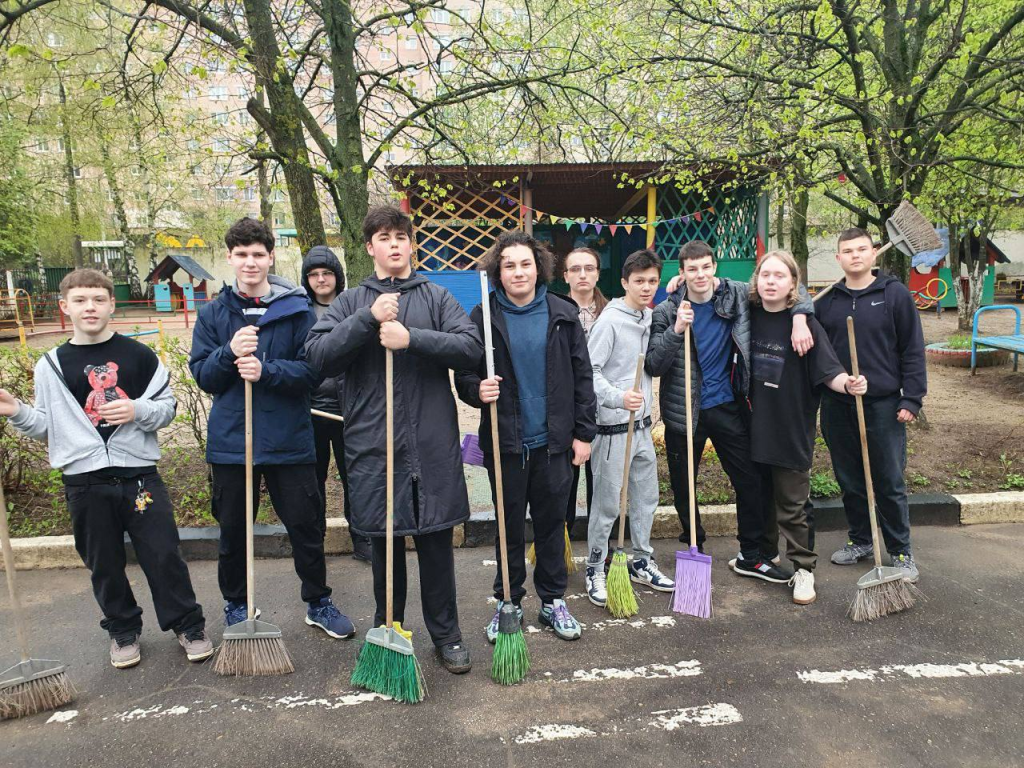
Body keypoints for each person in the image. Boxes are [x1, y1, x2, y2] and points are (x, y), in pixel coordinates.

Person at [1, 269, 212, 669]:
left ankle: (188, 624)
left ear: (112, 304)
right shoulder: (51, 364)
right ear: (65, 307)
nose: (90, 307)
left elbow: (165, 409)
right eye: (80, 301)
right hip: (84, 481)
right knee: (103, 562)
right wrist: (17, 413)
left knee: (163, 554)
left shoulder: (139, 356)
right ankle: (123, 631)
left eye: (98, 299)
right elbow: (50, 427)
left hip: (139, 478)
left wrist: (137, 410)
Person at [305, 205, 483, 674]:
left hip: (431, 444)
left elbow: (470, 347)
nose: (395, 244)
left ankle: (447, 635)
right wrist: (367, 319)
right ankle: (390, 631)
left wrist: (413, 338)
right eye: (384, 237)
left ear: (411, 243)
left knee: (436, 546)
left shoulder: (436, 296)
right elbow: (319, 357)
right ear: (370, 248)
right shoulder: (350, 303)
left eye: (402, 236)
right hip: (374, 447)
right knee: (386, 548)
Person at [189, 217, 353, 639]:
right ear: (230, 258)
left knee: (305, 526)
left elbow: (310, 372)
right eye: (241, 254)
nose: (250, 262)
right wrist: (228, 353)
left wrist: (266, 370)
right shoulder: (213, 314)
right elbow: (203, 376)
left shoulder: (297, 311)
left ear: (270, 257)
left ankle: (318, 602)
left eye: (258, 254)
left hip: (289, 440)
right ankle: (237, 606)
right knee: (234, 532)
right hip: (232, 444)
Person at [455, 231, 596, 642]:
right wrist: (476, 390)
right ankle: (508, 602)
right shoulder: (482, 317)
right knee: (509, 527)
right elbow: (464, 373)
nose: (518, 271)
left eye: (526, 264)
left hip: (554, 443)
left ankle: (552, 601)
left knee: (553, 525)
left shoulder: (562, 313)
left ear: (540, 268)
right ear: (499, 272)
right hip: (506, 443)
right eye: (509, 265)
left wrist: (583, 434)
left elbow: (583, 378)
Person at [650, 240, 814, 583]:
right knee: (684, 489)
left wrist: (800, 317)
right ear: (681, 273)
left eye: (705, 267)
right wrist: (677, 330)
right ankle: (695, 547)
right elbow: (654, 364)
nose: (699, 275)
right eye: (691, 269)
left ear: (715, 267)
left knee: (751, 481)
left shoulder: (737, 295)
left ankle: (751, 555)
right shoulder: (666, 310)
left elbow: (791, 287)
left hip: (727, 407)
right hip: (684, 414)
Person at [748, 251, 867, 604]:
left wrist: (848, 383)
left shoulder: (806, 323)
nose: (770, 281)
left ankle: (803, 569)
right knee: (757, 497)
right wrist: (679, 282)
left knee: (792, 504)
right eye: (765, 275)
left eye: (779, 276)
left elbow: (829, 371)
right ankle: (764, 556)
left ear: (793, 285)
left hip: (790, 426)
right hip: (750, 425)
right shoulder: (747, 314)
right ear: (756, 280)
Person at [814, 228, 926, 582]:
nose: (855, 256)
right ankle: (860, 539)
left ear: (874, 253)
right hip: (837, 402)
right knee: (849, 478)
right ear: (838, 258)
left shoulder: (894, 295)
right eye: (847, 251)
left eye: (862, 249)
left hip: (884, 404)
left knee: (889, 479)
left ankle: (901, 551)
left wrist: (912, 397)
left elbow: (912, 348)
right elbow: (818, 351)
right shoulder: (827, 300)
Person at [585, 249, 674, 606]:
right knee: (606, 506)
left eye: (653, 281)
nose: (647, 287)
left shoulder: (650, 317)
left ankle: (641, 559)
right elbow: (589, 373)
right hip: (610, 431)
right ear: (624, 283)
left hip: (642, 430)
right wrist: (618, 397)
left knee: (646, 501)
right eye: (639, 281)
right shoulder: (609, 322)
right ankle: (594, 566)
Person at [300, 245, 371, 563]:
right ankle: (314, 542)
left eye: (326, 273)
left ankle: (362, 538)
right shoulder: (299, 312)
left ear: (337, 276)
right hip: (310, 409)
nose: (320, 280)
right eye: (313, 275)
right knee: (311, 481)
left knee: (353, 476)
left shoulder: (351, 308)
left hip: (348, 408)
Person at [561, 247, 607, 533]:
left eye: (589, 268)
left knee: (600, 486)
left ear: (597, 274)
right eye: (575, 269)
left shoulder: (612, 312)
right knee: (564, 482)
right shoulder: (554, 312)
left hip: (604, 413)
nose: (582, 274)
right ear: (565, 276)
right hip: (567, 411)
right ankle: (559, 544)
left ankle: (597, 551)